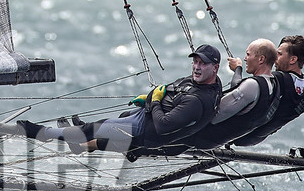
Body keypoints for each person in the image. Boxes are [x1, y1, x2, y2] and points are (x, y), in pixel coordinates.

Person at [23, 45, 224, 155]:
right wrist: (147, 99)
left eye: (203, 64)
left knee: (92, 129)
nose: (197, 67)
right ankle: (80, 143)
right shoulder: (210, 82)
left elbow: (164, 126)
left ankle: (42, 133)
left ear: (214, 67)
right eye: (195, 62)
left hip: (147, 129)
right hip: (143, 117)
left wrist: (154, 101)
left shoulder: (197, 101)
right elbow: (173, 92)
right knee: (112, 121)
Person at [156, 39, 281, 152]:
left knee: (157, 122)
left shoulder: (252, 86)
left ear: (261, 59)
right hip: (219, 140)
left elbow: (212, 114)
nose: (245, 58)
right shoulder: (272, 84)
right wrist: (237, 69)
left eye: (248, 54)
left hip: (201, 138)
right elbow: (239, 92)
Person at [234, 35, 304, 147]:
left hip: (236, 134)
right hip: (255, 139)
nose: (275, 58)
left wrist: (237, 68)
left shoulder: (278, 79)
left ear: (293, 59)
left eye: (279, 54)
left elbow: (237, 90)